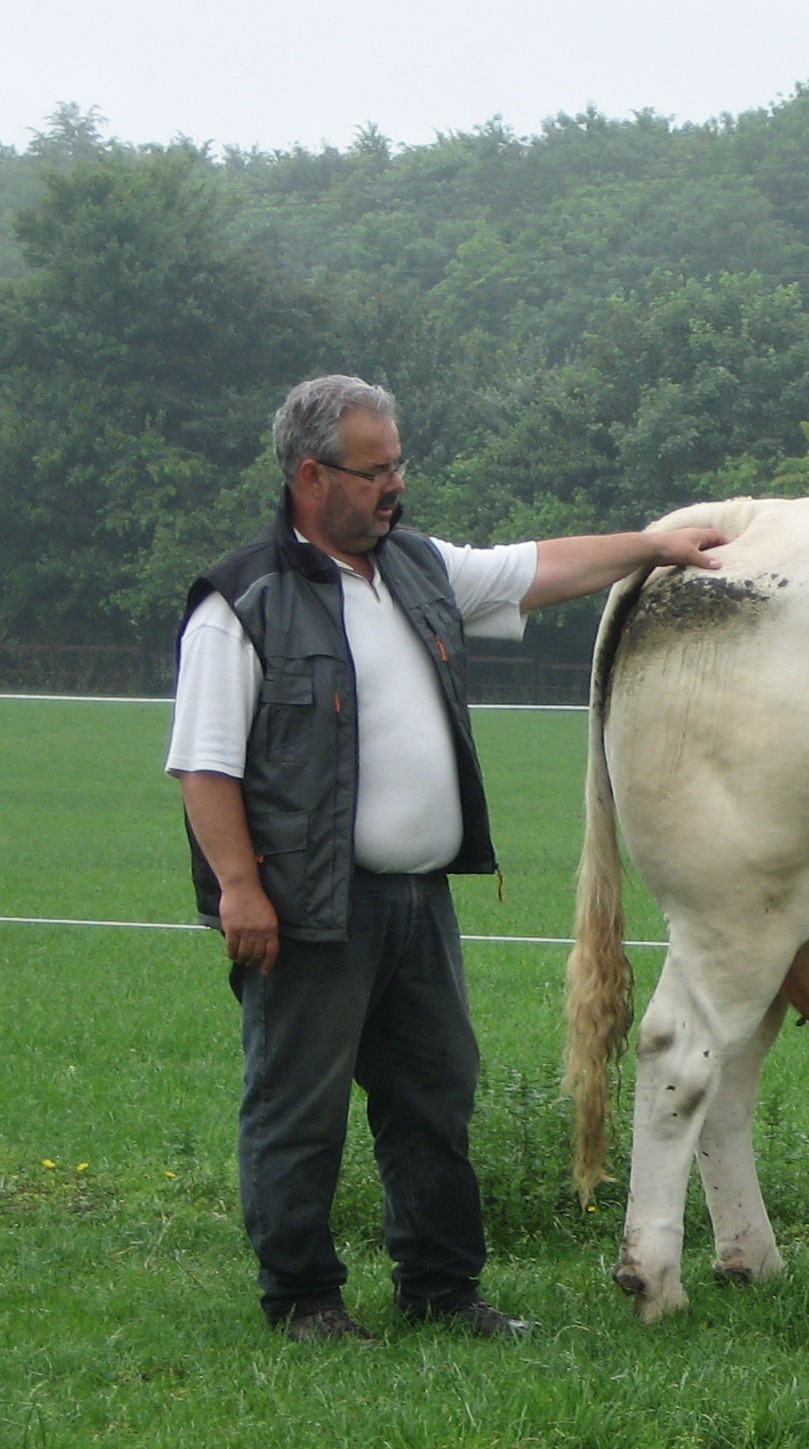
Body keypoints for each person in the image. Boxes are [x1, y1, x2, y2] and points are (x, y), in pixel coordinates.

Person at [167, 374, 725, 1342]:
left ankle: (441, 1288)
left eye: (398, 466)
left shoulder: (417, 568)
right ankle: (302, 1298)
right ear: (310, 474)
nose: (395, 487)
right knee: (297, 1109)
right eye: (373, 470)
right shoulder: (240, 602)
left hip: (417, 901)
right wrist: (241, 889)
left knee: (433, 1097)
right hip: (306, 906)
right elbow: (204, 765)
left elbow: (533, 569)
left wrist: (655, 545)